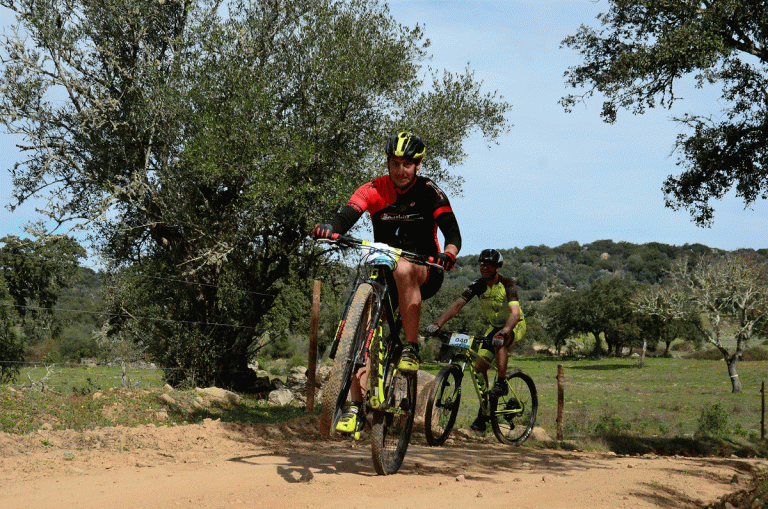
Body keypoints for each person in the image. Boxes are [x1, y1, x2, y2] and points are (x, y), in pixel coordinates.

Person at [312, 132, 462, 433]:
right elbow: (348, 214)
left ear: (417, 166)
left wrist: (448, 253)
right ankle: (355, 408)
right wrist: (331, 227)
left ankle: (410, 347)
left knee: (404, 268)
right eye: (395, 163)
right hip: (384, 271)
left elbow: (452, 233)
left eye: (407, 164)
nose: (400, 170)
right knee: (360, 334)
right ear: (388, 163)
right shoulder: (375, 189)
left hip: (424, 269)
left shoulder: (430, 191)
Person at [426, 248, 526, 432]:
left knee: (499, 342)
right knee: (479, 367)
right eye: (482, 263)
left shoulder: (507, 284)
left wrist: (505, 331)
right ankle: (485, 411)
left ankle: (502, 383)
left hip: (514, 325)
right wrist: (438, 324)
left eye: (488, 264)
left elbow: (515, 313)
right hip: (494, 327)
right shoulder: (478, 285)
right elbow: (457, 305)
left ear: (497, 267)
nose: (484, 267)